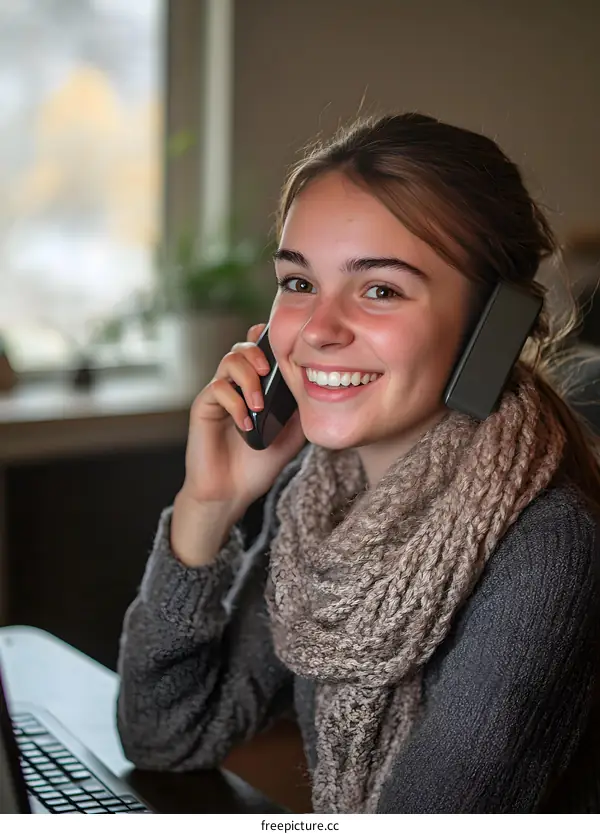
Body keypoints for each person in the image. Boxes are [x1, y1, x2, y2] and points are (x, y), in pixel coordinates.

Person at [117, 113, 600, 814]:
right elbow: (164, 737)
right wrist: (208, 506)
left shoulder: (549, 552)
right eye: (298, 282)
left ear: (494, 326)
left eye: (380, 290)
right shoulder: (319, 499)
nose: (317, 330)